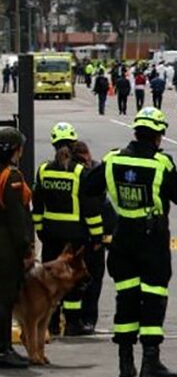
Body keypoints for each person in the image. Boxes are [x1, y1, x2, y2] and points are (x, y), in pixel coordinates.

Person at [86, 107, 177, 377]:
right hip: (151, 238)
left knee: (126, 297)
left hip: (122, 237)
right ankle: (150, 362)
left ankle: (125, 362)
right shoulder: (161, 163)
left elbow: (87, 187)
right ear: (158, 136)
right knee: (153, 296)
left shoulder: (112, 159)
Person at [32, 123, 104, 337]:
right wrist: (97, 234)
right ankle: (73, 323)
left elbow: (37, 205)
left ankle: (52, 323)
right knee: (72, 280)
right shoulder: (80, 171)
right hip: (75, 235)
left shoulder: (43, 170)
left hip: (51, 234)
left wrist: (40, 229)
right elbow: (90, 207)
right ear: (73, 144)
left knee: (50, 278)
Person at [0, 127, 34, 369]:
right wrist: (26, 250)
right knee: (5, 298)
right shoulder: (11, 176)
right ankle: (3, 349)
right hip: (6, 248)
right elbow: (16, 218)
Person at [71, 141, 110, 333]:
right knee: (91, 281)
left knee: (78, 282)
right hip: (90, 238)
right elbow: (96, 210)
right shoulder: (90, 174)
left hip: (75, 237)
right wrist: (98, 238)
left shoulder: (79, 171)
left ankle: (74, 321)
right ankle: (86, 321)